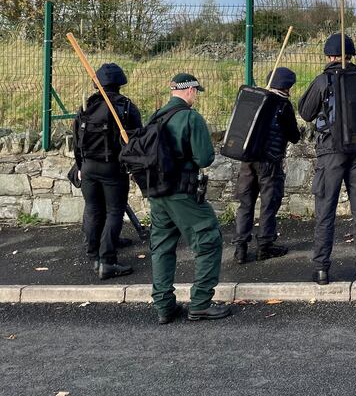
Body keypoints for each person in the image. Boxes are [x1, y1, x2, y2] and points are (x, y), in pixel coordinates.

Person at [148, 73, 230, 324]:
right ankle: (200, 304)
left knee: (162, 247)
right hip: (182, 192)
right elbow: (204, 158)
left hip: (157, 192)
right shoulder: (190, 118)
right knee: (209, 240)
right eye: (196, 91)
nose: (196, 96)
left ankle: (164, 307)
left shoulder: (155, 117)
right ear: (190, 91)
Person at [298, 34, 356, 285]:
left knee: (325, 209)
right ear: (350, 55)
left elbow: (306, 113)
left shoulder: (323, 80)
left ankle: (321, 269)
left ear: (330, 56)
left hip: (330, 151)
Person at [73, 63, 142, 280]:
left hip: (88, 167)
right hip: (113, 167)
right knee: (114, 211)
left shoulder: (86, 106)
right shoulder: (126, 107)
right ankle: (107, 261)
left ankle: (94, 253)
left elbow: (77, 139)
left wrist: (80, 166)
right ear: (120, 82)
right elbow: (136, 140)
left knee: (93, 208)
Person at [232, 67, 301, 264]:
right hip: (269, 162)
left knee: (245, 204)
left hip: (248, 160)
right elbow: (294, 136)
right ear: (287, 87)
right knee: (269, 204)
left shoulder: (253, 99)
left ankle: (240, 249)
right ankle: (265, 246)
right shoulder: (282, 105)